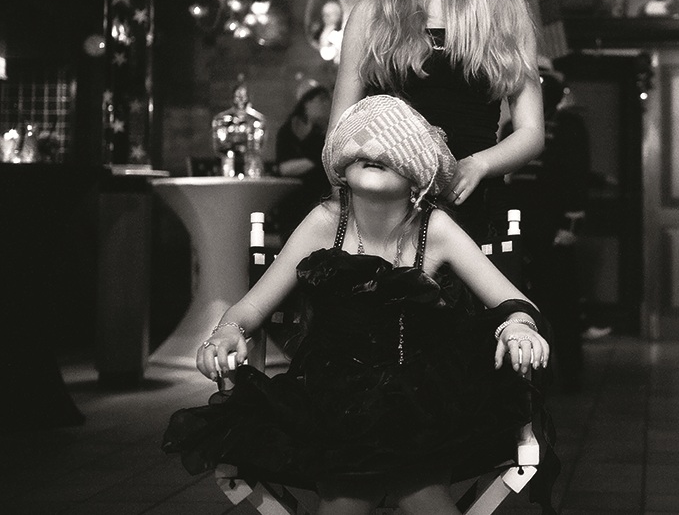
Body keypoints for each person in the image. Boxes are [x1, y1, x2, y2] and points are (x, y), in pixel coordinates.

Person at [163, 95, 554, 515]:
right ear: (341, 168)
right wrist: (227, 331)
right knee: (345, 497)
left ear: (418, 177)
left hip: (421, 399)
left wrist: (516, 324)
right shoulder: (323, 223)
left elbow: (514, 300)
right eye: (361, 146)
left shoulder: (434, 228)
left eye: (390, 148)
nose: (373, 152)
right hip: (330, 400)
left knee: (418, 489)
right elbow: (252, 307)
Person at [329, 0, 544, 243]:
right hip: (382, 214)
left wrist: (478, 165)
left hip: (469, 208)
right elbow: (337, 136)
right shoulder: (371, 15)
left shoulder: (505, 16)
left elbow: (531, 132)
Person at [507, 61, 591, 392]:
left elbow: (577, 177)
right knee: (524, 303)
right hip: (521, 226)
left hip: (555, 227)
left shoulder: (569, 126)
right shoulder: (511, 128)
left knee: (562, 304)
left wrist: (571, 225)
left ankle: (570, 373)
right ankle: (529, 374)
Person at [275, 83, 333, 233]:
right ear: (307, 103)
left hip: (323, 203)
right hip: (296, 205)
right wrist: (317, 159)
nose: (327, 104)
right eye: (321, 99)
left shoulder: (328, 132)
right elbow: (285, 168)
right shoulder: (289, 131)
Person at [311, 0, 345, 64]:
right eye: (325, 14)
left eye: (329, 15)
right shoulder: (317, 32)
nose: (326, 17)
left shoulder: (341, 32)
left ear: (338, 15)